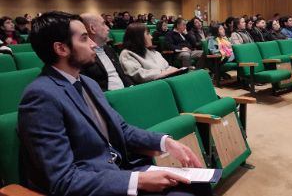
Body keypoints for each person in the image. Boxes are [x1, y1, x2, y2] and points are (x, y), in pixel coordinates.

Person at [18, 11, 211, 196]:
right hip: (94, 185)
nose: (93, 44)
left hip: (118, 170)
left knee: (199, 185)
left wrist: (165, 142)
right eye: (84, 38)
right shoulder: (41, 97)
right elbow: (63, 180)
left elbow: (123, 129)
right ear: (61, 48)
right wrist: (138, 181)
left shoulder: (87, 83)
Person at [80, 13, 133, 91]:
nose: (108, 28)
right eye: (103, 24)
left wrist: (132, 87)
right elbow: (91, 89)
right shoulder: (83, 55)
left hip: (126, 92)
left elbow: (122, 75)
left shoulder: (109, 49)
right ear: (92, 29)